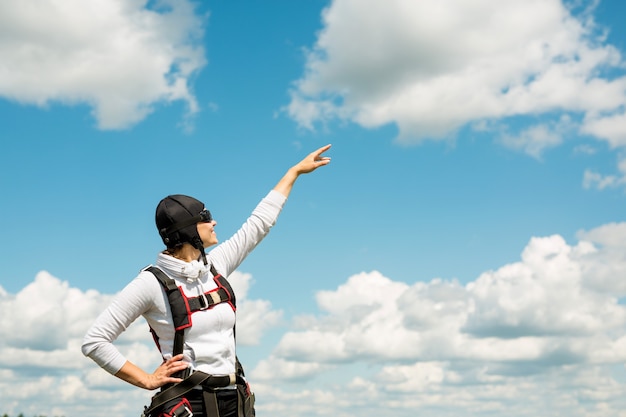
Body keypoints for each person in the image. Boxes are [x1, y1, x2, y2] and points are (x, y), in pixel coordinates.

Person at [82, 144, 332, 417]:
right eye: (206, 217)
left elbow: (259, 224)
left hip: (236, 400)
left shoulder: (215, 265)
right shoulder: (151, 283)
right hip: (190, 405)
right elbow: (95, 341)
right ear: (187, 229)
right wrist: (146, 379)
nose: (214, 222)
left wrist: (292, 173)